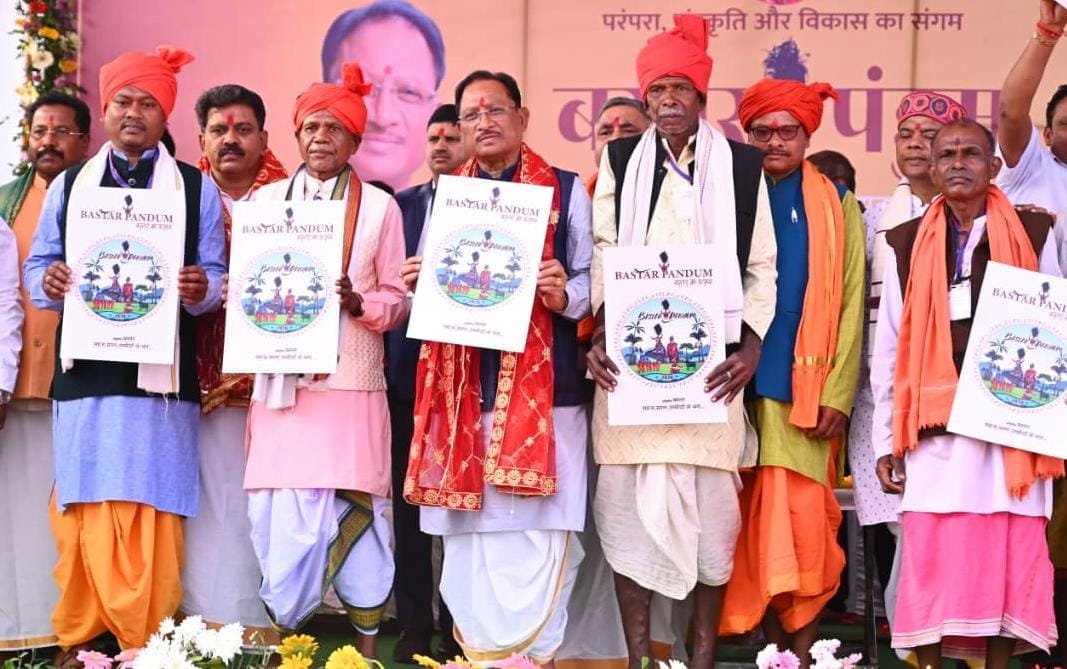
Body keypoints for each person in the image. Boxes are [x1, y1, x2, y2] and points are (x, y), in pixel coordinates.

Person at [583, 16, 776, 668]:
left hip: (711, 374)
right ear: (646, 99)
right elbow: (603, 254)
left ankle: (701, 659)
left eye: (680, 90)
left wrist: (749, 350)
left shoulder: (742, 166)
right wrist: (600, 332)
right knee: (623, 514)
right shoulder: (619, 160)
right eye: (657, 90)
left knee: (714, 526)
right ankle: (640, 657)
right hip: (629, 373)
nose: (668, 101)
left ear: (700, 97)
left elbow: (763, 266)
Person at [23, 46, 226, 657]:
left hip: (160, 380)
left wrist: (200, 288)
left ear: (165, 116)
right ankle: (83, 636)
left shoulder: (195, 188)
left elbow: (217, 278)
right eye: (123, 102)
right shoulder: (70, 185)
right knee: (84, 500)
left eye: (148, 103)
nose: (134, 113)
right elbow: (38, 268)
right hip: (85, 373)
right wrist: (50, 279)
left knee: (152, 504)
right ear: (106, 111)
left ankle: (147, 641)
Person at [400, 69, 593, 663]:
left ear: (522, 118)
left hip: (548, 396)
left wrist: (565, 294)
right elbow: (434, 285)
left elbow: (593, 280)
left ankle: (535, 658)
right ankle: (481, 656)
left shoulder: (565, 189)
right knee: (470, 547)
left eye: (495, 110)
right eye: (471, 114)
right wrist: (418, 282)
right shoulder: (448, 197)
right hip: (461, 394)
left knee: (539, 536)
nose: (483, 123)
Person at [872, 118, 1063, 668]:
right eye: (948, 155)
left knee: (1008, 556)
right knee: (932, 558)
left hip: (1011, 430)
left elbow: (1053, 331)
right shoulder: (906, 242)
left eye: (971, 153)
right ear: (931, 170)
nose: (959, 163)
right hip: (934, 432)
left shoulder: (1033, 232)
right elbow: (889, 346)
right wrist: (885, 439)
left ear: (994, 166)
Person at [242, 62, 408, 659]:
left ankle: (364, 654)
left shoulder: (381, 209)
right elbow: (246, 286)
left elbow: (399, 299)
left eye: (334, 129)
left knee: (360, 514)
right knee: (278, 516)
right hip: (282, 391)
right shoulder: (263, 203)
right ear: (296, 135)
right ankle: (289, 649)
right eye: (311, 127)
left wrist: (358, 302)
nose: (321, 138)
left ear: (355, 141)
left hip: (350, 387)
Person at [720, 77, 865, 666]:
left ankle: (800, 655)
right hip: (727, 384)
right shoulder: (726, 192)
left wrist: (839, 393)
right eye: (762, 131)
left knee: (802, 523)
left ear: (808, 137)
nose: (775, 141)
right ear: (746, 134)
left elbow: (851, 300)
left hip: (802, 389)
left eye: (788, 131)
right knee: (738, 519)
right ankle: (761, 647)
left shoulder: (837, 203)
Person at [183, 83, 288, 648]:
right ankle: (206, 627)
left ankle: (268, 627)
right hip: (197, 381)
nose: (231, 139)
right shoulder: (179, 197)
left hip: (281, 383)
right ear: (201, 138)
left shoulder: (296, 199)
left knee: (267, 505)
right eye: (219, 130)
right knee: (210, 500)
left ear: (264, 138)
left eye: (243, 129)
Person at [0, 91, 87, 657]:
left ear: (85, 141)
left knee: (69, 515)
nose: (48, 141)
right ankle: (17, 629)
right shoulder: (5, 203)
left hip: (75, 385)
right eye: (39, 131)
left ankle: (72, 632)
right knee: (14, 516)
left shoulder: (100, 198)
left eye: (61, 131)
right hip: (13, 386)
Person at [997, 5, 1067, 660]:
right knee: (1043, 513)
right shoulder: (1032, 171)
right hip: (1038, 364)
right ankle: (1040, 644)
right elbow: (1009, 111)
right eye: (1066, 123)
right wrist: (1047, 37)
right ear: (1049, 133)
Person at [387, 102, 467, 662]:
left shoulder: (498, 206)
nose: (440, 146)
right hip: (408, 374)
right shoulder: (402, 205)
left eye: (451, 137)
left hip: (468, 380)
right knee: (409, 506)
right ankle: (414, 623)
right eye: (433, 137)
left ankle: (460, 626)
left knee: (463, 507)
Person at [321, 0, 445, 191]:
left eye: (408, 92)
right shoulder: (279, 204)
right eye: (361, 86)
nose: (383, 117)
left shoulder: (467, 208)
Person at [586, 97, 651, 195]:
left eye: (628, 131)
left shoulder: (670, 191)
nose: (615, 139)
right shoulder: (577, 198)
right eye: (605, 133)